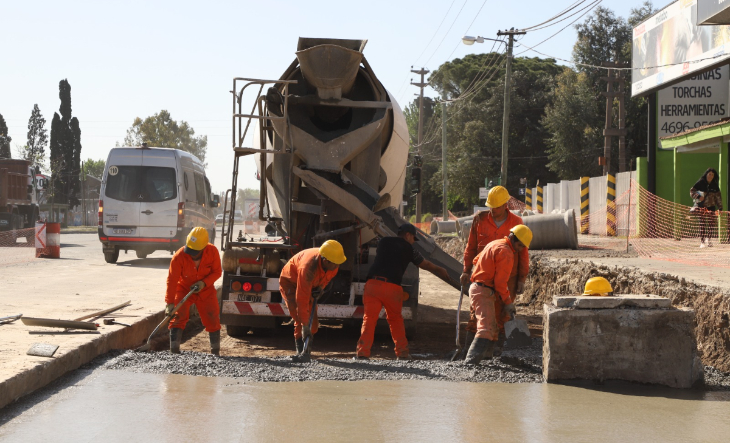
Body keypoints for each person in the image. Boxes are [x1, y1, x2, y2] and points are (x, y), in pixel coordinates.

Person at [355, 223, 453, 360]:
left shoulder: (383, 241)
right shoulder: (409, 249)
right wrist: (439, 269)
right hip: (392, 288)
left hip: (373, 285)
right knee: (395, 321)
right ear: (407, 235)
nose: (413, 241)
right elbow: (425, 264)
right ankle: (402, 354)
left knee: (369, 320)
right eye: (414, 238)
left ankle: (362, 354)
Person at [460, 186, 529, 356]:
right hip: (484, 276)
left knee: (503, 316)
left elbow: (523, 252)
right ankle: (469, 352)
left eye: (496, 206)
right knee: (477, 316)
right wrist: (466, 270)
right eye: (491, 206)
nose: (493, 210)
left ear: (506, 204)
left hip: (508, 277)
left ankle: (496, 353)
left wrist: (521, 279)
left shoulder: (517, 223)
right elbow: (471, 248)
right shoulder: (480, 220)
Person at [464, 225, 532, 365]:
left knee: (493, 328)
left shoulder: (495, 243)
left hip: (480, 288)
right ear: (513, 238)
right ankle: (470, 363)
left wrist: (484, 272)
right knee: (486, 329)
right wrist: (508, 302)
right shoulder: (506, 252)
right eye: (520, 246)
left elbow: (476, 260)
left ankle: (486, 359)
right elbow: (500, 283)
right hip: (483, 290)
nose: (520, 250)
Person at [279, 240, 346, 362]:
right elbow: (301, 299)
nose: (337, 267)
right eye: (335, 264)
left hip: (310, 284)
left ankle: (306, 350)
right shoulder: (308, 267)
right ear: (326, 261)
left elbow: (327, 278)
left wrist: (320, 287)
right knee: (300, 317)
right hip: (291, 283)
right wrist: (304, 325)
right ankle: (301, 352)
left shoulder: (333, 264)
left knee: (313, 325)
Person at [166, 227, 222, 355]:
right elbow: (172, 281)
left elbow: (217, 272)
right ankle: (173, 351)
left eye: (194, 252)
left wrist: (204, 283)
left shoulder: (212, 251)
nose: (190, 254)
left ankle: (215, 352)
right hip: (185, 288)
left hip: (206, 290)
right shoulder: (179, 257)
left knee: (212, 317)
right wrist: (169, 303)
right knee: (178, 316)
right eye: (189, 250)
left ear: (203, 248)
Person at [690, 168, 722, 248]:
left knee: (712, 223)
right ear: (706, 174)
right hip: (702, 206)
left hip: (711, 206)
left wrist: (720, 207)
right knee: (702, 224)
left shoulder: (715, 185)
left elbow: (718, 197)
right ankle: (702, 242)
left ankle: (709, 239)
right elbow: (692, 191)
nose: (710, 176)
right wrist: (698, 196)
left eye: (712, 175)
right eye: (709, 174)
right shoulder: (701, 182)